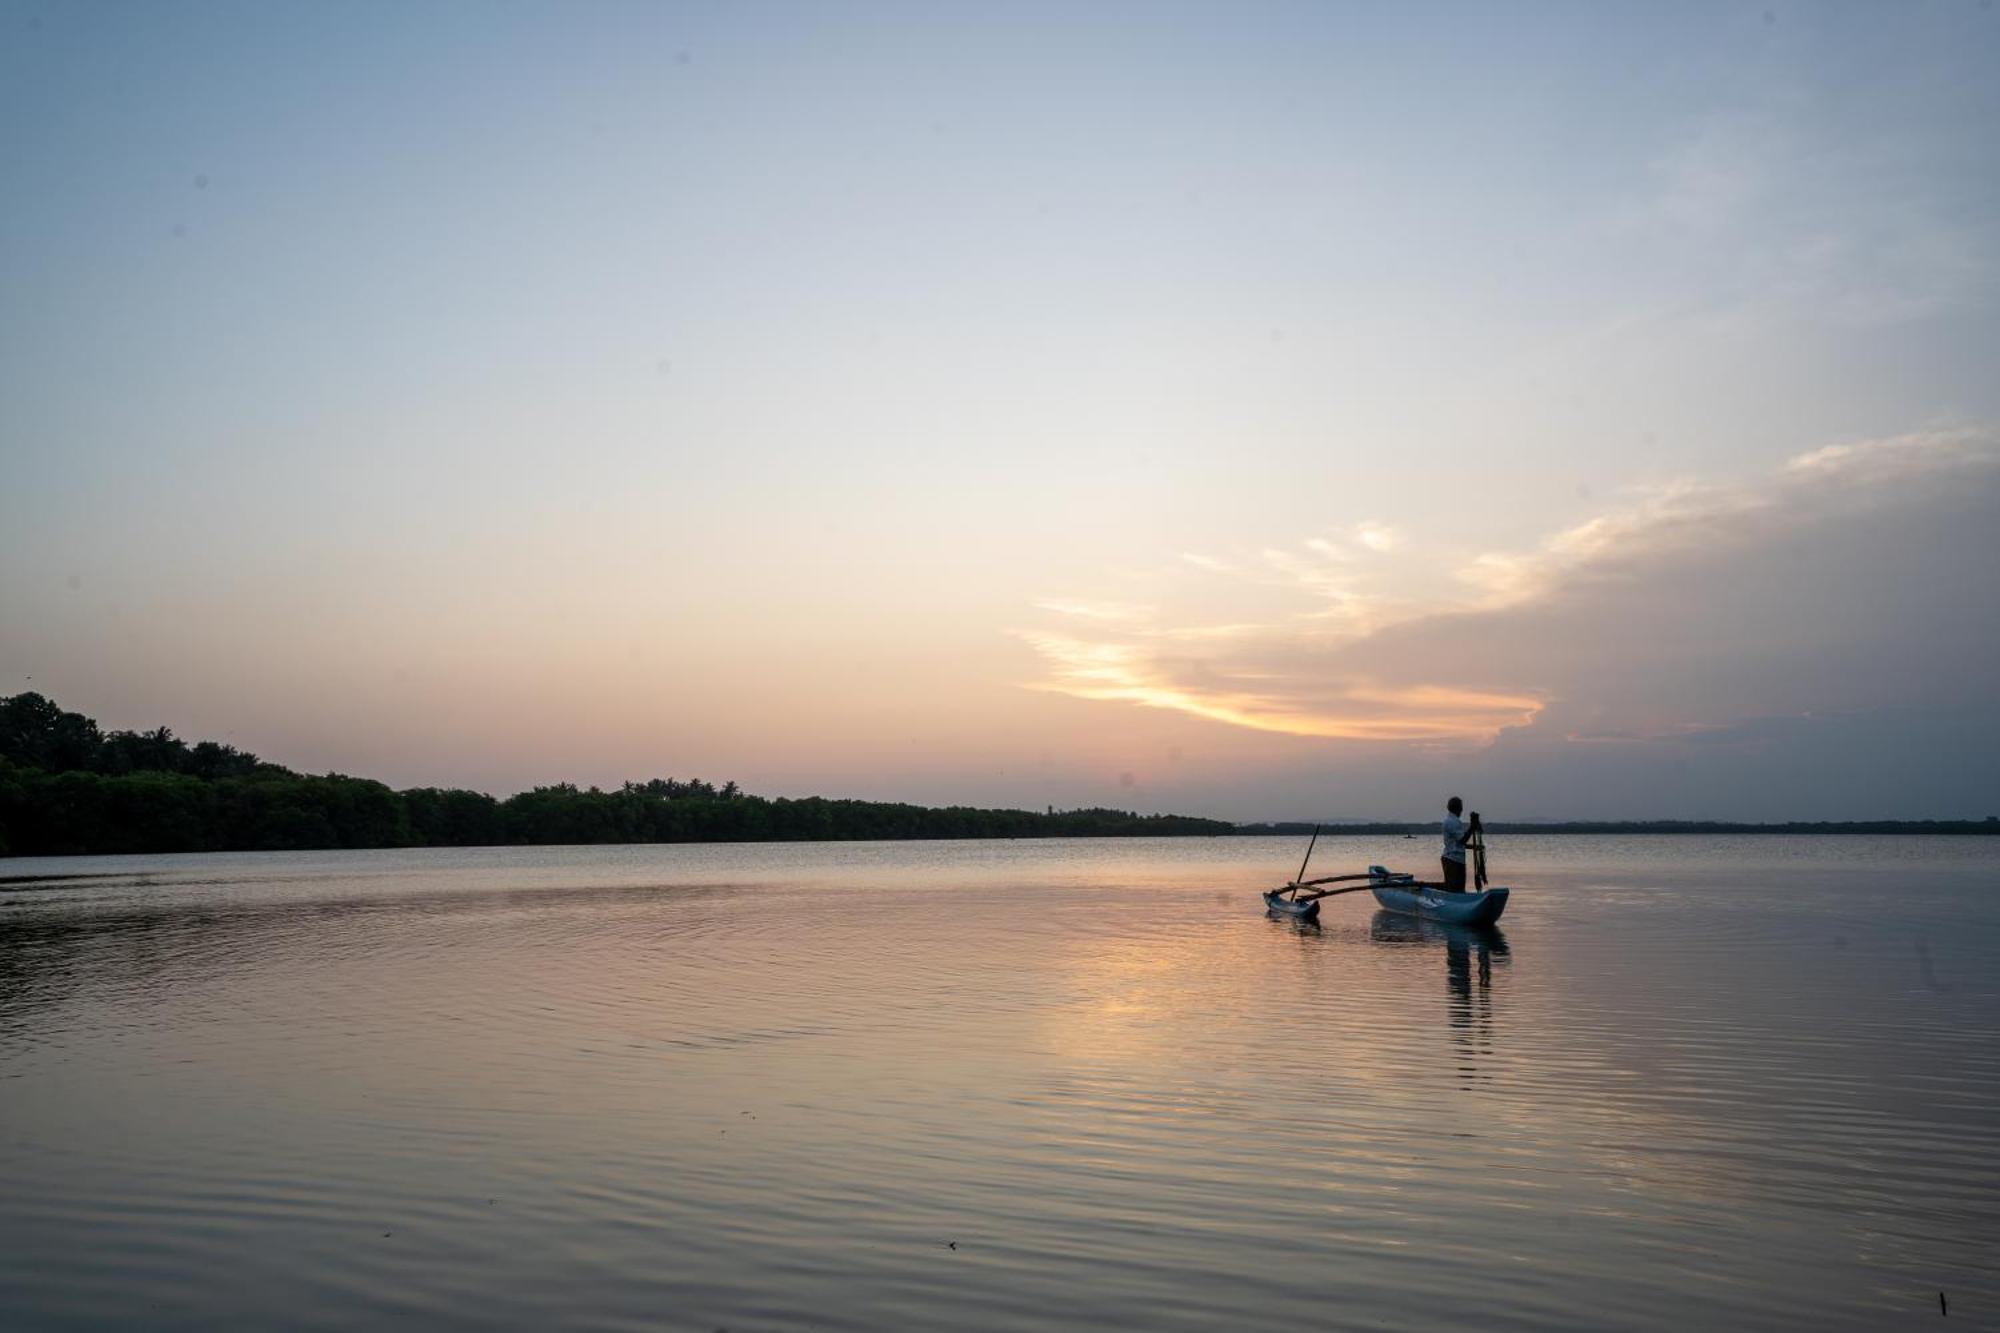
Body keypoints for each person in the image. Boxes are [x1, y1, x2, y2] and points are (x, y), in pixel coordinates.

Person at [1440, 797, 1472, 892]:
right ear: (1458, 808)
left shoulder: (1453, 821)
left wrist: (1474, 847)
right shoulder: (1452, 822)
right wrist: (1472, 827)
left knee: (1458, 888)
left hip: (1455, 860)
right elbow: (1462, 840)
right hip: (1453, 860)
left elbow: (1458, 843)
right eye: (1461, 807)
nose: (1462, 810)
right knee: (1455, 889)